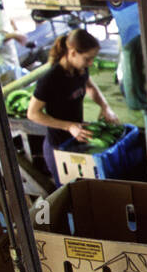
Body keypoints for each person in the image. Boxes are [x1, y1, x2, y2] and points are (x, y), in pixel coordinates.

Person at [27, 29, 118, 178]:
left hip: (76, 139)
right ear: (73, 52)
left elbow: (89, 86)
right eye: (88, 59)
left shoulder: (79, 70)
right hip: (58, 147)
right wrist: (69, 126)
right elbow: (32, 114)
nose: (91, 63)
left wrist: (105, 107)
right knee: (69, 192)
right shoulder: (51, 79)